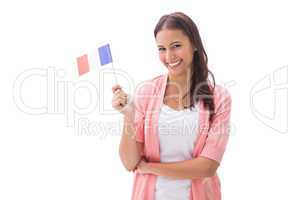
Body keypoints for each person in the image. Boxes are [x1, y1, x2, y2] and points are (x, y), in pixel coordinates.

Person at [112, 12, 232, 200]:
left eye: (176, 46)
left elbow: (207, 167)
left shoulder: (219, 97)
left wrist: (150, 167)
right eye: (162, 48)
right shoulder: (146, 92)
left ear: (193, 45)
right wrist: (128, 115)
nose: (169, 56)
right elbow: (129, 162)